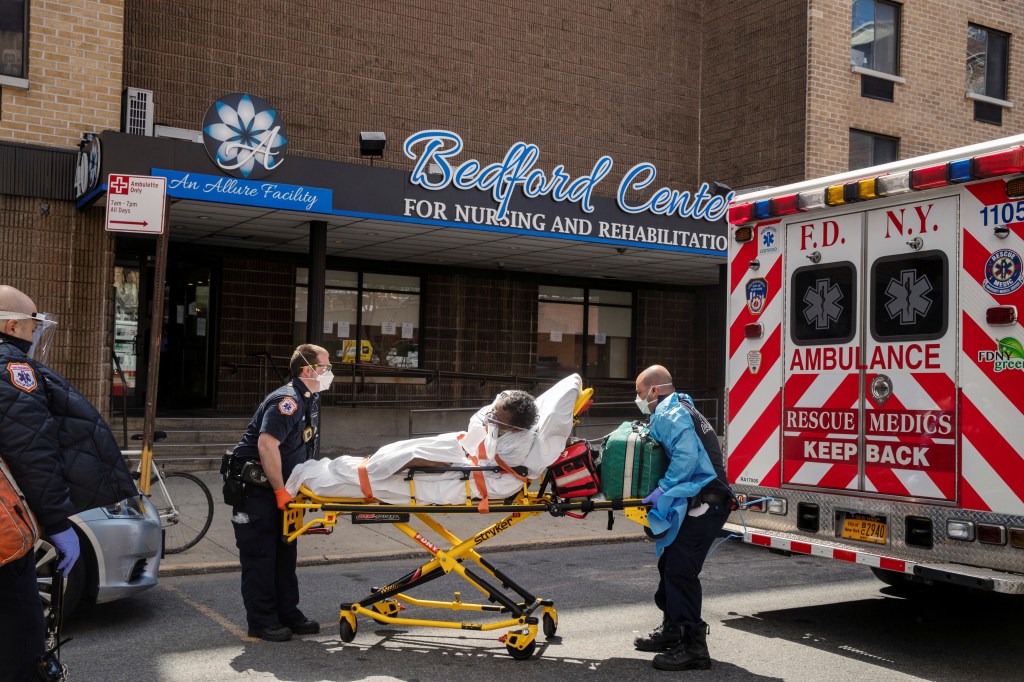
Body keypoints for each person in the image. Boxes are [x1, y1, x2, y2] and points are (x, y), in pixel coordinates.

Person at [0, 285, 138, 682]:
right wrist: (59, 523)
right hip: (5, 540)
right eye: (32, 328)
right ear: (12, 325)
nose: (33, 337)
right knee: (19, 644)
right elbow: (33, 453)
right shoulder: (12, 370)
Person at [632, 364, 732, 672]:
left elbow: (687, 457)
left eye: (640, 394)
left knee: (679, 571)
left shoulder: (669, 414)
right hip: (700, 500)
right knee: (668, 563)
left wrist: (661, 489)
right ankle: (673, 630)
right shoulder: (682, 407)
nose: (639, 400)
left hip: (706, 502)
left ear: (655, 390)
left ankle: (694, 647)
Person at [230, 343, 332, 642]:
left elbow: (302, 446)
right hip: (259, 490)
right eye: (326, 367)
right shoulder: (287, 401)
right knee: (261, 556)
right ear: (308, 369)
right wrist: (278, 491)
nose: (329, 373)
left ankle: (288, 613)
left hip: (285, 490)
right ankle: (262, 621)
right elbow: (267, 445)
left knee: (285, 554)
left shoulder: (309, 399)